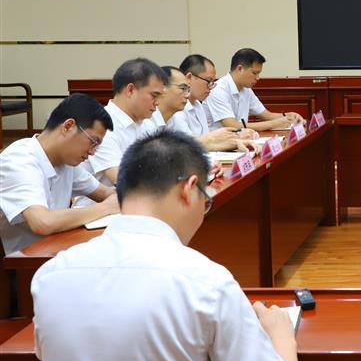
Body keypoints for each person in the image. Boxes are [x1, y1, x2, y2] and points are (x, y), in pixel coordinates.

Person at [31, 130, 301, 361]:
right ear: (189, 189)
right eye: (205, 201)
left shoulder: (50, 275)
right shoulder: (208, 283)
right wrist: (281, 334)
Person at [0, 94, 119, 256]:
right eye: (93, 142)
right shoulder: (19, 160)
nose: (92, 152)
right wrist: (105, 207)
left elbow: (105, 193)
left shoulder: (65, 161)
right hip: (20, 263)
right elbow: (43, 222)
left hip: (53, 250)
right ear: (68, 126)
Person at [79, 57, 166, 189]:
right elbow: (122, 180)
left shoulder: (147, 124)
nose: (157, 103)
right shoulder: (101, 126)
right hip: (105, 201)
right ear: (130, 90)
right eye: (154, 96)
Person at [205, 48, 303, 131]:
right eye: (255, 73)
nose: (258, 78)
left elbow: (267, 115)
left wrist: (289, 116)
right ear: (240, 69)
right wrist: (273, 124)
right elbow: (232, 126)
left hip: (239, 140)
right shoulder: (218, 90)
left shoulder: (246, 89)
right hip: (217, 146)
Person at [178, 54, 260, 152]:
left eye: (212, 82)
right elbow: (189, 146)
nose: (210, 87)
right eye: (208, 81)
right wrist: (234, 138)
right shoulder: (177, 109)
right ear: (189, 77)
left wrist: (237, 141)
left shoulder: (198, 105)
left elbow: (206, 144)